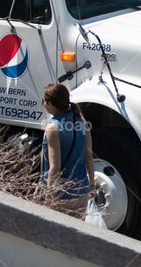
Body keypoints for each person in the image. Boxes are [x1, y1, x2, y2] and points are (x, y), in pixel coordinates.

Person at [41, 83, 97, 217]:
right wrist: (92, 185)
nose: (42, 103)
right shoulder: (82, 121)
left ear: (51, 104)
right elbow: (89, 156)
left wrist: (48, 198)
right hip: (81, 192)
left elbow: (55, 167)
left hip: (61, 195)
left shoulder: (53, 128)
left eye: (43, 101)